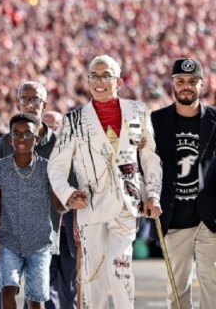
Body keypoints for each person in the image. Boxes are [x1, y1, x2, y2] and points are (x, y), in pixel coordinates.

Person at [47, 55, 163, 309]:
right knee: (93, 276)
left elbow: (150, 158)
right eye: (94, 76)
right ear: (88, 81)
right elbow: (56, 166)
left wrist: (152, 193)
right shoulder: (73, 120)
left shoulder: (138, 111)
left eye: (106, 75)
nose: (99, 81)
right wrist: (67, 194)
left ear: (118, 81)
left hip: (127, 203)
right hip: (90, 204)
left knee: (121, 268)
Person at [0, 82, 76, 309]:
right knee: (6, 288)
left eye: (35, 100)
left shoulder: (60, 145)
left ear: (44, 104)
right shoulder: (5, 142)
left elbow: (70, 184)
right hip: (8, 233)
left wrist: (74, 211)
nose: (29, 104)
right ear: (17, 103)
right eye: (24, 99)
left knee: (38, 294)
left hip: (45, 233)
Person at [151, 58, 216, 309]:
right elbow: (147, 164)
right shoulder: (156, 121)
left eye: (192, 81)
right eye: (180, 81)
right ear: (172, 85)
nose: (186, 86)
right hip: (174, 217)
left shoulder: (214, 119)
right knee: (177, 289)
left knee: (211, 283)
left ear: (202, 84)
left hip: (208, 219)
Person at [0, 113, 66, 309]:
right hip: (8, 239)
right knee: (7, 288)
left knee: (35, 298)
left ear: (37, 139)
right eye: (16, 134)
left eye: (27, 134)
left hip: (39, 242)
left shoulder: (47, 168)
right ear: (10, 138)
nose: (22, 139)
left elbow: (58, 204)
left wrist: (68, 202)